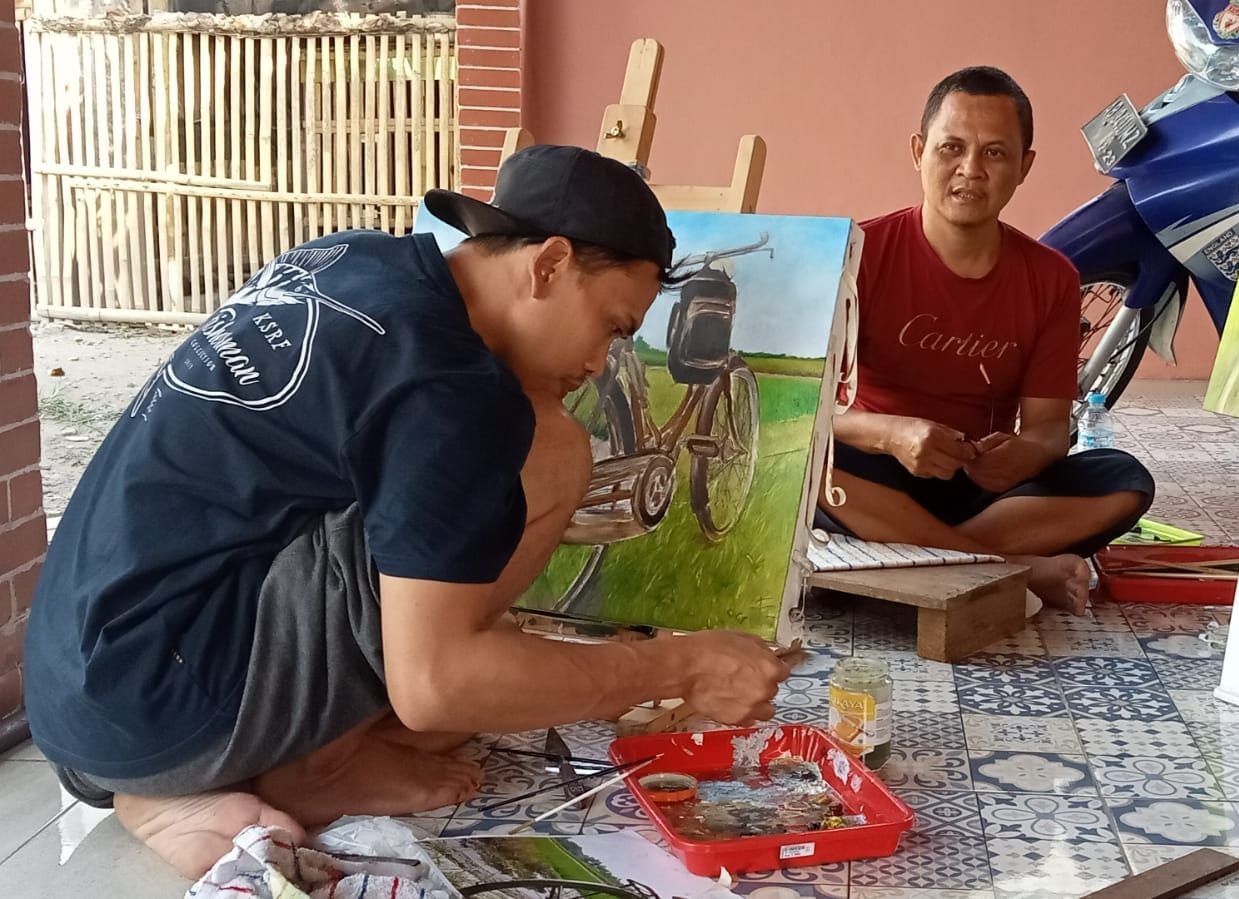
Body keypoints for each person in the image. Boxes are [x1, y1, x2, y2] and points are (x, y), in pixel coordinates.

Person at [22, 145, 791, 879]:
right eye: (612, 326)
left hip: (75, 689)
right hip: (166, 704)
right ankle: (317, 765)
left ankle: (186, 780)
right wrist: (682, 661)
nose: (599, 362)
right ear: (549, 264)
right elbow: (437, 686)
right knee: (553, 454)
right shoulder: (448, 387)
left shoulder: (348, 258)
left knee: (503, 663)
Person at [819, 66, 1155, 612]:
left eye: (995, 153)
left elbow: (1049, 432)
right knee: (805, 468)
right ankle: (1007, 572)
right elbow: (806, 412)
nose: (969, 170)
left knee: (1123, 478)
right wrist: (891, 435)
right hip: (875, 474)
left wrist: (1021, 457)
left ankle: (908, 561)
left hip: (976, 490)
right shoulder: (855, 256)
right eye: (951, 147)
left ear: (1024, 167)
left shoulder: (1051, 277)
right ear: (918, 151)